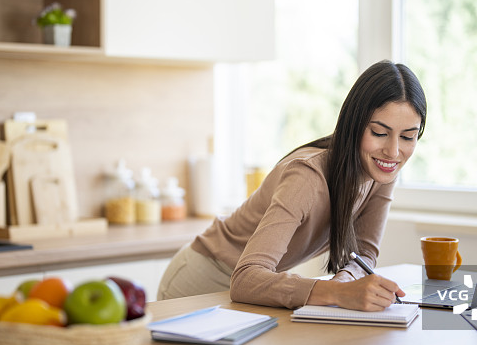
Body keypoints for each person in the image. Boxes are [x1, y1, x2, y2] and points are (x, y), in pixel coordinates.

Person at [157, 60, 427, 310]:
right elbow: (245, 279)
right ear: (354, 124)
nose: (393, 151)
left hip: (252, 295)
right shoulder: (307, 176)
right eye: (379, 133)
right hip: (202, 281)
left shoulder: (380, 170)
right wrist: (334, 293)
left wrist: (345, 282)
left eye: (407, 137)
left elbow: (365, 254)